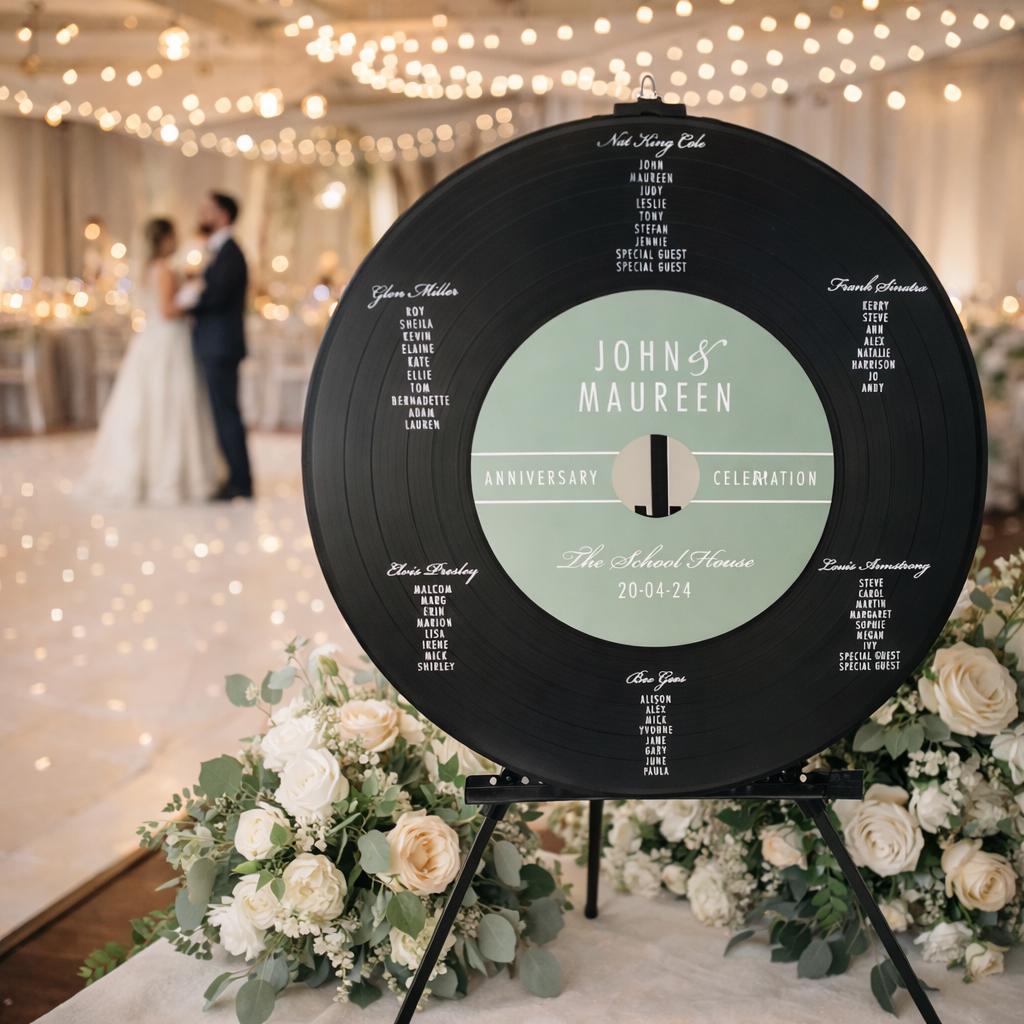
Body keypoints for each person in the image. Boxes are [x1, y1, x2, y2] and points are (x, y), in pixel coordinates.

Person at [81, 218, 221, 504]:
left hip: (152, 340)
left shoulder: (147, 269)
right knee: (171, 403)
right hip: (169, 340)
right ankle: (170, 477)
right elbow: (168, 310)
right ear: (164, 239)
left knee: (151, 402)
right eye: (173, 235)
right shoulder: (165, 269)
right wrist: (193, 295)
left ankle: (145, 473)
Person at [182, 192, 253, 500]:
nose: (202, 214)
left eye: (208, 210)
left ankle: (241, 483)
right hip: (216, 345)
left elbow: (215, 297)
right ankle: (235, 477)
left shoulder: (231, 253)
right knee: (222, 413)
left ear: (223, 216)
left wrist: (186, 305)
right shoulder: (217, 251)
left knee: (226, 414)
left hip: (221, 346)